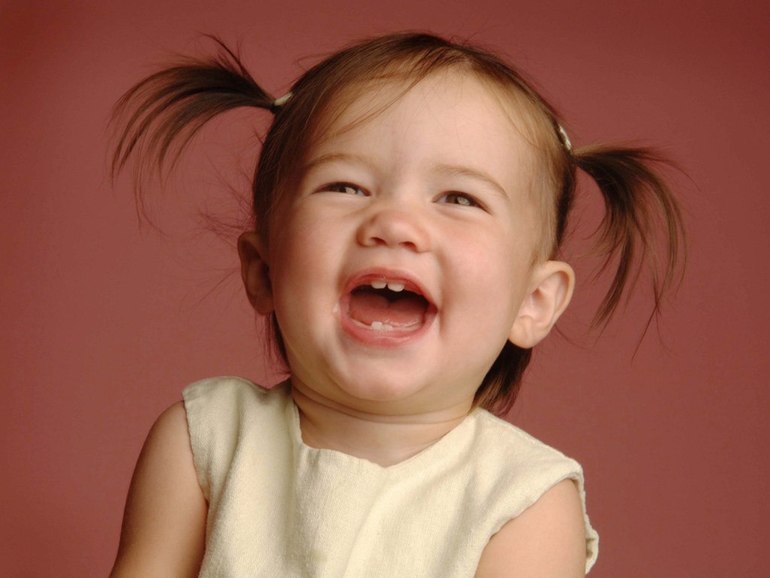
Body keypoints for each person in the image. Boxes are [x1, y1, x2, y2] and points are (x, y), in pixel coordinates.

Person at [108, 32, 684, 577]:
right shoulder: (207, 441)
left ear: (532, 302)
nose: (395, 224)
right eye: (346, 186)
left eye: (459, 198)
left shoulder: (523, 500)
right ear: (264, 270)